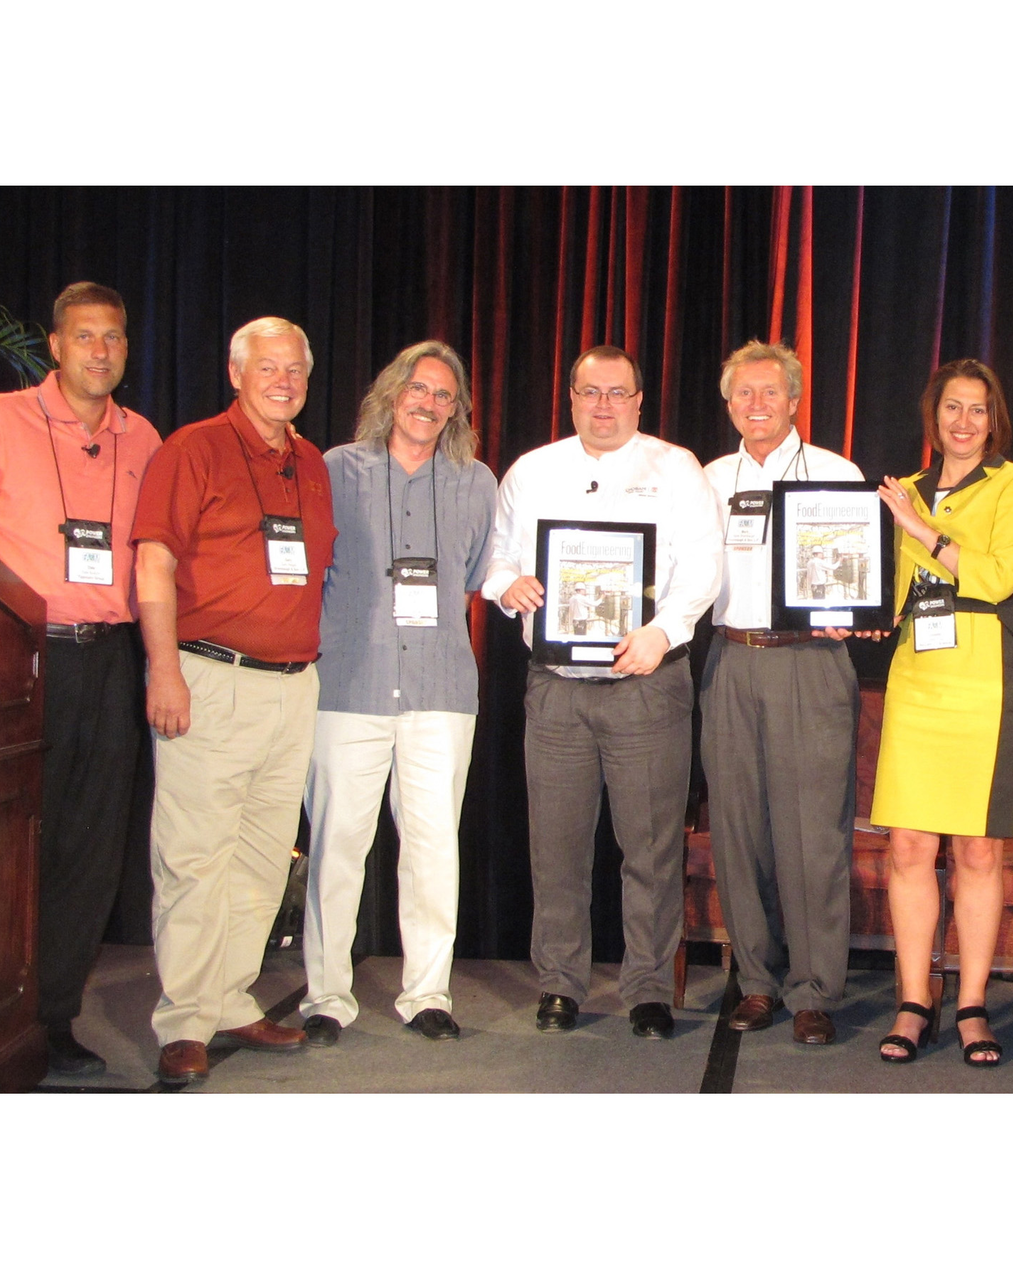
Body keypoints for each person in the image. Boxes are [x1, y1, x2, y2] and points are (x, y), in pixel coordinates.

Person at [481, 345, 720, 1039]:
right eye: (591, 392)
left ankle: (648, 987)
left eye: (618, 393)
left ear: (640, 401)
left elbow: (704, 563)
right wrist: (507, 587)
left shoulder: (675, 468)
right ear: (571, 396)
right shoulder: (532, 470)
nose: (604, 406)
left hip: (647, 683)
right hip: (555, 689)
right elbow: (496, 555)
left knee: (649, 849)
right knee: (556, 848)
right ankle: (560, 984)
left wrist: (666, 629)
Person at [133, 317, 337, 1085]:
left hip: (293, 687)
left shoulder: (310, 462)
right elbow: (154, 564)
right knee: (193, 857)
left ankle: (228, 997)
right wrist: (163, 670)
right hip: (208, 677)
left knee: (259, 857)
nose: (283, 381)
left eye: (296, 370)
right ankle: (183, 1018)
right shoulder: (191, 449)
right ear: (235, 372)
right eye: (268, 367)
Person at [297, 341, 497, 1046]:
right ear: (390, 393)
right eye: (418, 389)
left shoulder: (476, 481)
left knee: (434, 846)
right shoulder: (334, 470)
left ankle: (427, 994)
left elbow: (475, 572)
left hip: (440, 691)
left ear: (457, 409)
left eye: (444, 395)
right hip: (347, 684)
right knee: (336, 846)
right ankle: (325, 996)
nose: (429, 403)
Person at [0, 283, 160, 1076]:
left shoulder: (144, 436)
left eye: (114, 337)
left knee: (89, 850)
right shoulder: (0, 419)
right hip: (21, 660)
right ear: (54, 345)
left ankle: (52, 1016)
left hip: (112, 658)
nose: (100, 350)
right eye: (85, 336)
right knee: (15, 844)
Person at [871, 359, 1013, 1066]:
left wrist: (919, 528)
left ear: (993, 419)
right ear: (933, 416)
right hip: (917, 677)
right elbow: (882, 589)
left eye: (977, 410)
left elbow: (1000, 576)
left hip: (989, 680)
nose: (963, 422)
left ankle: (971, 1002)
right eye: (952, 409)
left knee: (979, 850)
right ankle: (916, 998)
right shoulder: (900, 490)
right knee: (908, 846)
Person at [699, 340, 862, 1045]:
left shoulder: (836, 471)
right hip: (731, 660)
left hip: (810, 663)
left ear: (794, 401)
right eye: (744, 393)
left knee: (812, 833)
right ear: (728, 402)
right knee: (739, 830)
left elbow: (859, 569)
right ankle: (758, 981)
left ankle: (815, 989)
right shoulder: (704, 479)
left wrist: (849, 609)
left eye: (771, 393)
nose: (757, 405)